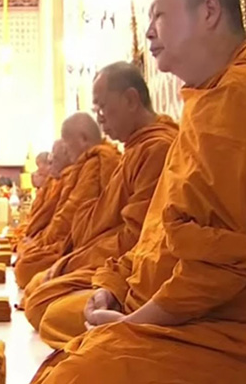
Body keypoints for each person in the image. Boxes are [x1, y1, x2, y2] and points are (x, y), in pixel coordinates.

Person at [30, 0, 246, 384]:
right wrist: (114, 286)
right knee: (57, 314)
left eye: (159, 14)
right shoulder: (206, 102)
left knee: (71, 376)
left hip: (240, 322)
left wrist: (134, 322)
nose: (149, 32)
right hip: (175, 298)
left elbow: (225, 265)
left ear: (209, 11)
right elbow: (155, 232)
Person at [24, 62, 177, 347]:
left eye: (102, 108)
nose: (101, 119)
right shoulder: (130, 151)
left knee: (44, 306)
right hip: (116, 264)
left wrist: (71, 263)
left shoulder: (157, 147)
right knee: (38, 292)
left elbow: (138, 237)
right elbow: (86, 219)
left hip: (139, 272)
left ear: (131, 100)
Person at [14, 113, 120, 288]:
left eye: (67, 146)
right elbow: (64, 216)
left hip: (99, 248)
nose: (67, 153)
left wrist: (42, 245)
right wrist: (41, 242)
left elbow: (70, 218)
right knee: (29, 266)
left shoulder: (98, 163)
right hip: (77, 244)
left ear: (83, 140)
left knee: (27, 270)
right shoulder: (85, 167)